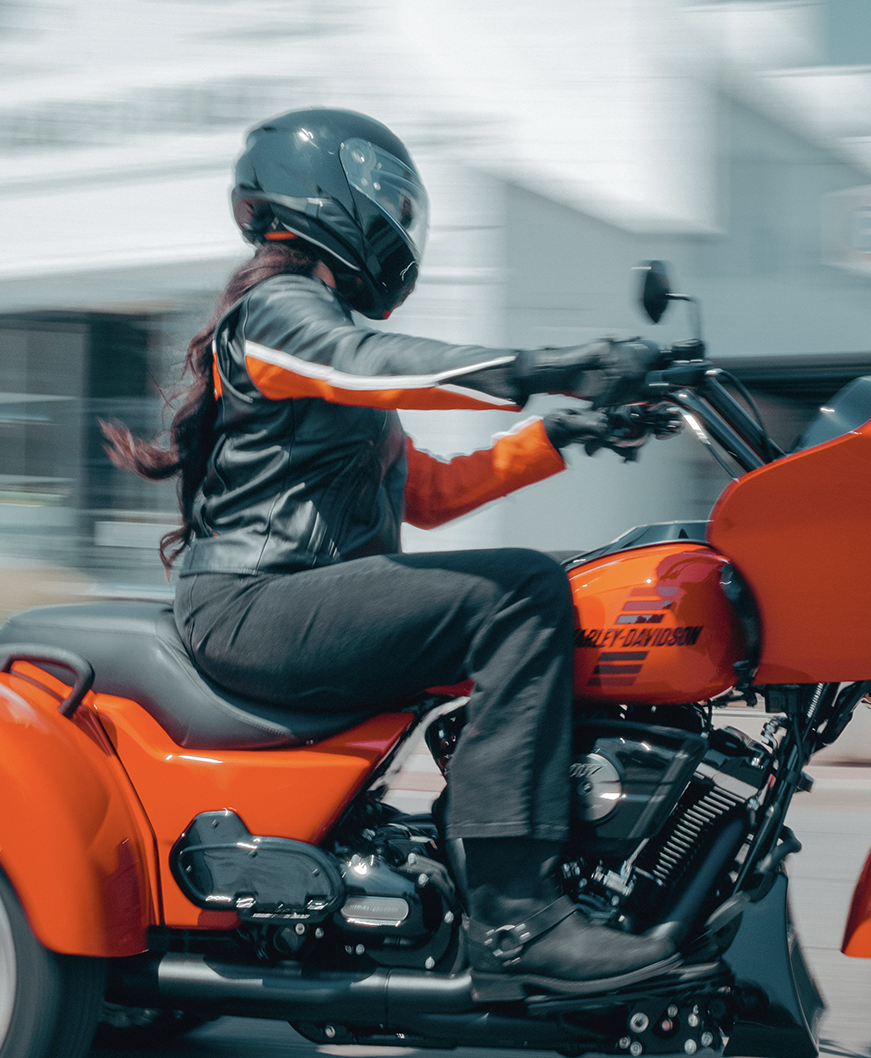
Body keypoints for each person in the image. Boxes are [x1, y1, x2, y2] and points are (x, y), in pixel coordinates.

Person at [107, 106, 677, 998]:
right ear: (329, 194)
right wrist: (551, 365)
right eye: (386, 195)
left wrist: (564, 431)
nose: (399, 219)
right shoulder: (281, 313)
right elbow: (373, 362)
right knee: (519, 591)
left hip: (305, 599)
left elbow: (431, 494)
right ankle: (514, 915)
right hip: (260, 603)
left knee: (562, 578)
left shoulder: (324, 342)